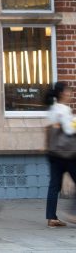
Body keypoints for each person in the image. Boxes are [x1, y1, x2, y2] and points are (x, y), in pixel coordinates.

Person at [44, 82, 76, 227]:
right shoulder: (64, 110)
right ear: (62, 93)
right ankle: (73, 214)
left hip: (53, 152)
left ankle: (51, 218)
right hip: (68, 153)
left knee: (54, 185)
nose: (70, 93)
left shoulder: (52, 109)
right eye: (68, 91)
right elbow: (69, 131)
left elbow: (48, 129)